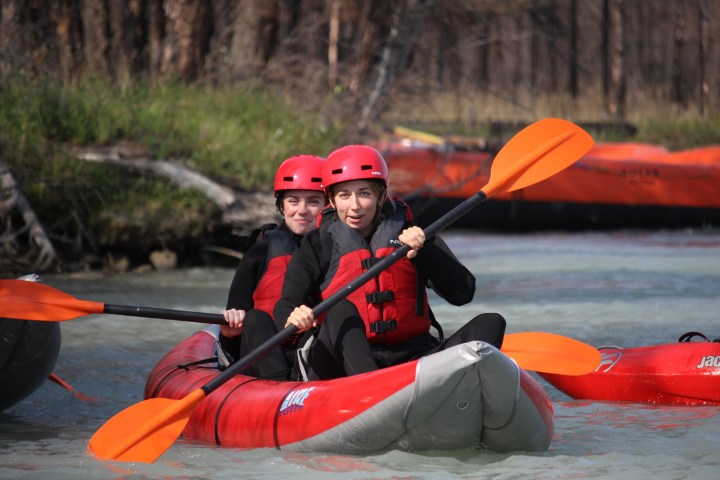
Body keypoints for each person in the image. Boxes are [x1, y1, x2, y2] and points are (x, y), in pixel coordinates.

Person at [274, 145, 506, 381]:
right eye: (344, 195)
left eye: (364, 193)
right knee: (338, 309)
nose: (354, 206)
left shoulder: (411, 235)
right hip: (342, 364)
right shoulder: (317, 243)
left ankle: (458, 390)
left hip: (412, 356)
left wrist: (425, 251)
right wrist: (296, 319)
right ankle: (373, 388)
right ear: (332, 200)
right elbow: (285, 306)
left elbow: (463, 293)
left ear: (380, 196)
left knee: (491, 323)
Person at [218, 154, 326, 378]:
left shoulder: (338, 249)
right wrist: (229, 333)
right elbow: (234, 325)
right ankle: (280, 385)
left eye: (313, 201)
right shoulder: (261, 251)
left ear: (327, 205)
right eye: (293, 201)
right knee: (255, 318)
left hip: (313, 355)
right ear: (281, 205)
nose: (302, 210)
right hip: (262, 356)